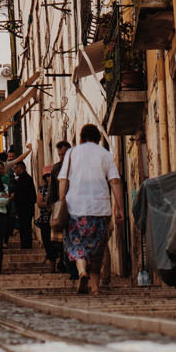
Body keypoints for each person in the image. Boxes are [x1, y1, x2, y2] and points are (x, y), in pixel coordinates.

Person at [53, 125, 125, 295]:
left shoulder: (71, 153)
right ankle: (95, 288)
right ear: (98, 138)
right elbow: (115, 181)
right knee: (97, 249)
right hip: (100, 209)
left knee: (77, 243)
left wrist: (61, 200)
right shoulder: (105, 154)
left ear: (80, 138)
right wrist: (119, 208)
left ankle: (81, 272)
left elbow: (63, 180)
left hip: (75, 207)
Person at [43, 140, 71, 274]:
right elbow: (52, 192)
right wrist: (51, 210)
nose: (62, 157)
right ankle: (62, 263)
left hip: (77, 208)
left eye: (64, 154)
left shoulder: (77, 166)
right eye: (60, 155)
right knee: (59, 240)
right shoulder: (56, 169)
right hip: (61, 209)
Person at [10, 160, 37, 250]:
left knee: (24, 228)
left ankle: (25, 245)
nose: (14, 170)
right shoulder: (27, 178)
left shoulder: (23, 179)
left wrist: (15, 196)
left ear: (20, 168)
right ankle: (27, 245)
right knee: (27, 227)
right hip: (28, 207)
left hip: (23, 208)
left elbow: (21, 194)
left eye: (15, 168)